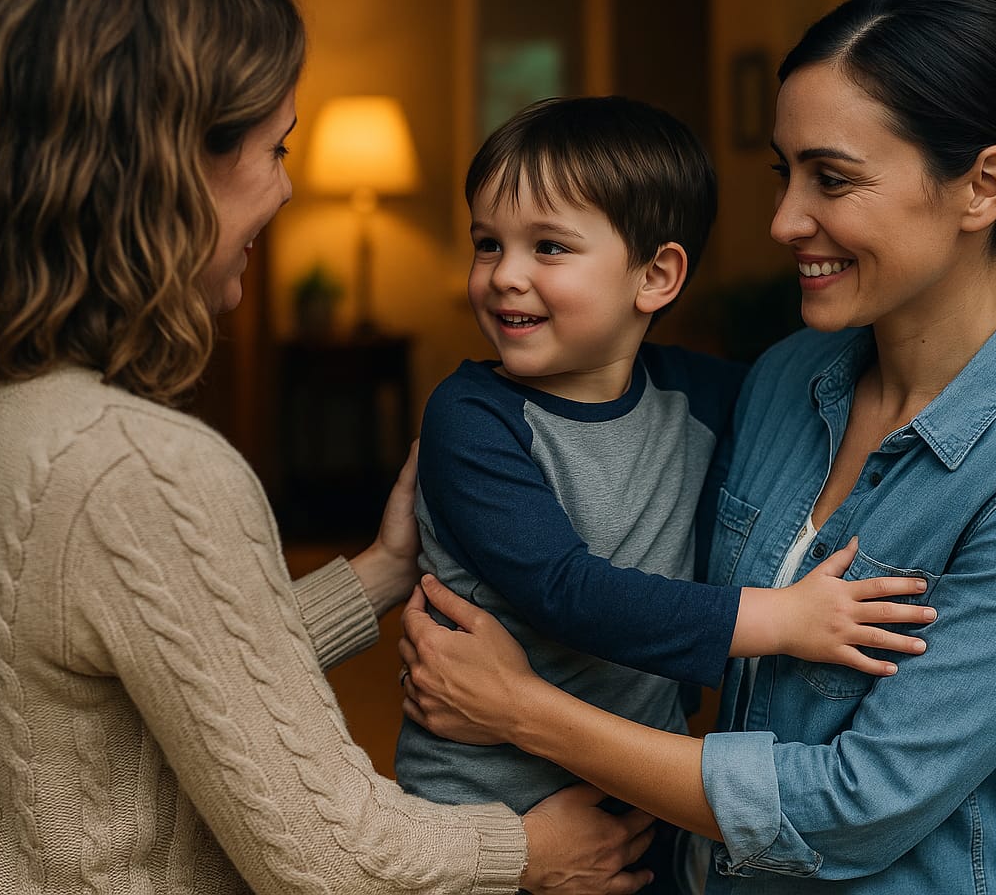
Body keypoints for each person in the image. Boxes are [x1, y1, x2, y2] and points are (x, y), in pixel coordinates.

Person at [0, 0, 659, 895]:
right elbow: (331, 859)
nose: (285, 195)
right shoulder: (138, 462)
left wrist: (378, 571)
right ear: (169, 165)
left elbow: (150, 670)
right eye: (276, 150)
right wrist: (531, 850)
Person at [399, 0, 996, 894]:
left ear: (983, 187)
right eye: (783, 174)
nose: (784, 220)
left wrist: (521, 711)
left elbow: (852, 809)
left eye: (831, 178)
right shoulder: (786, 381)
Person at [393, 97, 935, 889]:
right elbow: (563, 590)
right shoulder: (472, 417)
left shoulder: (702, 396)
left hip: (644, 808)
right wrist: (779, 620)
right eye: (487, 244)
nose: (503, 274)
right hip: (487, 826)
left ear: (656, 276)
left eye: (547, 246)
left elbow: (832, 395)